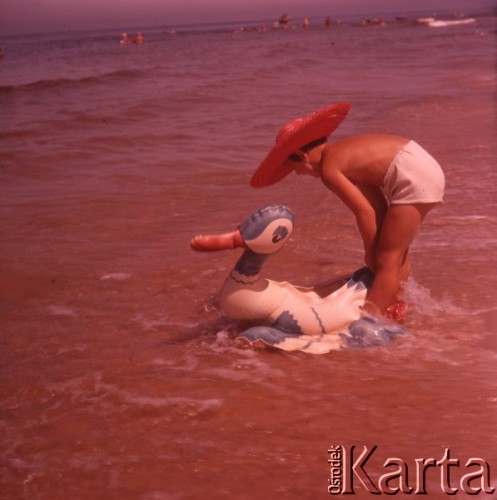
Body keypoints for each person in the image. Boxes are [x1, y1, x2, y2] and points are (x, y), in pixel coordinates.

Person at [250, 102, 445, 320]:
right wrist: (376, 253)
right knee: (394, 253)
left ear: (301, 156)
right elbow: (377, 206)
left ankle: (372, 321)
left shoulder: (329, 170)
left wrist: (371, 256)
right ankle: (395, 303)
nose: (298, 174)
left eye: (294, 169)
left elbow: (364, 212)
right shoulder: (346, 155)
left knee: (386, 259)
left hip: (414, 176)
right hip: (421, 166)